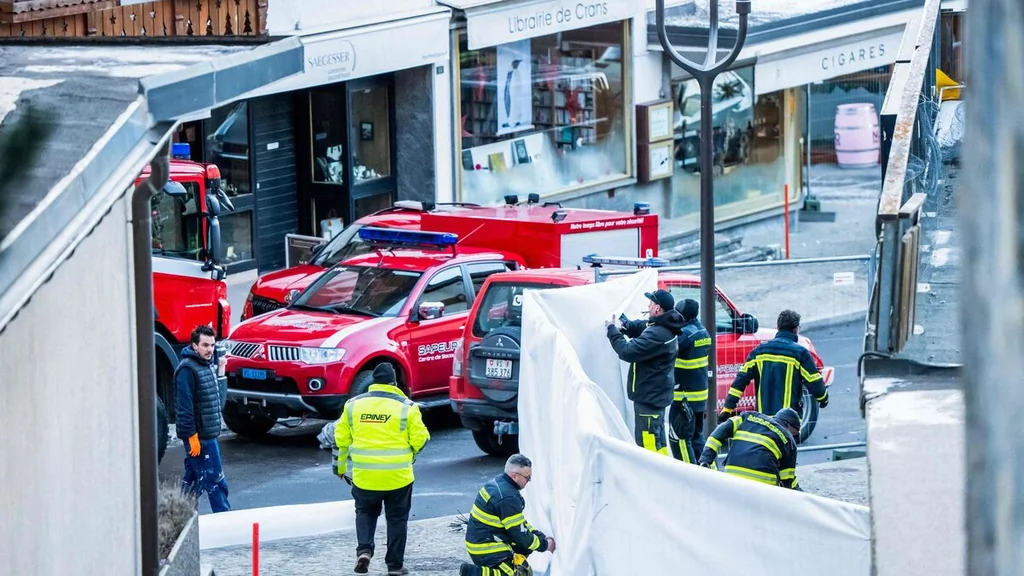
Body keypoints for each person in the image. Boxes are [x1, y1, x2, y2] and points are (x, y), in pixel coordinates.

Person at [335, 362, 430, 576]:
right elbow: (421, 439)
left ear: (374, 382)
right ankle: (395, 566)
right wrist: (411, 455)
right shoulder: (407, 407)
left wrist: (339, 468)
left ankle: (364, 551)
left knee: (365, 513)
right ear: (393, 383)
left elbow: (340, 440)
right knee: (397, 519)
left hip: (365, 477)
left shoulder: (352, 406)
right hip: (398, 478)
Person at [717, 309, 829, 431]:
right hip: (787, 423)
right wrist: (823, 399)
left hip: (763, 421)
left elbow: (740, 381)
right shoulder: (800, 353)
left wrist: (727, 408)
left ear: (778, 327)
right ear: (796, 329)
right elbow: (814, 382)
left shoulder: (759, 351)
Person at [605, 288, 684, 456]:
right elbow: (642, 327)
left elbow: (627, 351)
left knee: (648, 446)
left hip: (649, 399)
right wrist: (625, 324)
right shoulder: (663, 325)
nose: (648, 306)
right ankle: (663, 469)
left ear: (657, 308)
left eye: (651, 303)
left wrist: (612, 330)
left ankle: (655, 472)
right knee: (657, 441)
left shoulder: (658, 333)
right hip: (655, 396)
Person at [460, 454, 555, 576]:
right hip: (484, 547)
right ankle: (472, 573)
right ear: (514, 475)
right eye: (527, 478)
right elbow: (520, 534)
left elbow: (520, 524)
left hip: (480, 539)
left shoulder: (499, 484)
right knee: (517, 573)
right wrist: (545, 545)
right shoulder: (507, 498)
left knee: (525, 547)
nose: (529, 481)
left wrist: (540, 537)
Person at [176, 324, 231, 512]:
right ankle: (226, 521)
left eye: (212, 345)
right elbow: (184, 408)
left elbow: (215, 401)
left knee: (193, 481)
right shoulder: (187, 370)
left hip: (207, 435)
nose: (210, 350)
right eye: (205, 345)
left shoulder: (205, 366)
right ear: (194, 346)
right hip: (201, 438)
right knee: (215, 481)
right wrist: (192, 437)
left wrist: (221, 371)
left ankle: (180, 517)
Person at [698, 407, 803, 491]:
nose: (794, 437)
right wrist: (803, 496)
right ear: (788, 425)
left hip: (732, 477)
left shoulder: (749, 417)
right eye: (794, 433)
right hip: (763, 487)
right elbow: (788, 483)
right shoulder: (788, 440)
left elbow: (720, 431)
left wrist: (706, 459)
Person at [669, 298, 711, 464]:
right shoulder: (703, 332)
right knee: (697, 438)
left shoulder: (685, 335)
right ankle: (707, 470)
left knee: (681, 440)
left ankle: (690, 474)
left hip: (683, 398)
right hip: (699, 398)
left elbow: (664, 347)